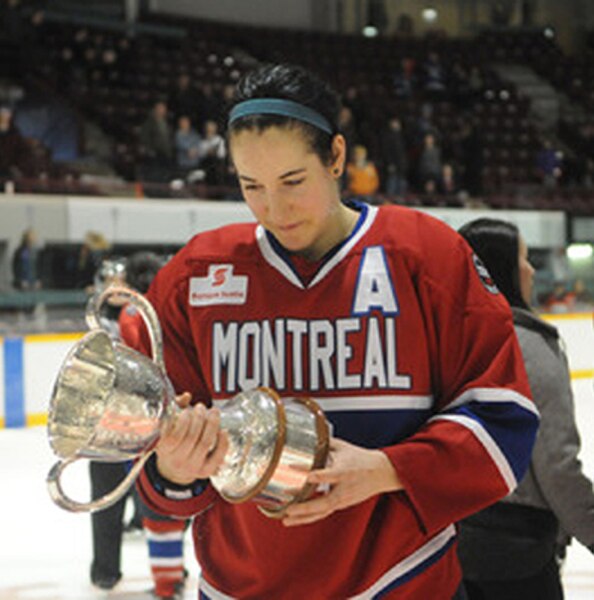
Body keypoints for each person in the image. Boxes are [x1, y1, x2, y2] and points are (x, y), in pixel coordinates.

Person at [127, 63, 538, 599]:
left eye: (293, 181)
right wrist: (173, 469)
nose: (274, 208)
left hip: (404, 584)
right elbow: (162, 479)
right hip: (240, 587)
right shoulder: (196, 276)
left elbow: (504, 420)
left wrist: (388, 469)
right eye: (252, 185)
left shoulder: (428, 257)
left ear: (337, 157)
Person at [457, 218, 594, 600]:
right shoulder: (530, 349)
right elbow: (556, 468)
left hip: (447, 555)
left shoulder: (443, 341)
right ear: (500, 269)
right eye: (523, 258)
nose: (531, 270)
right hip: (518, 560)